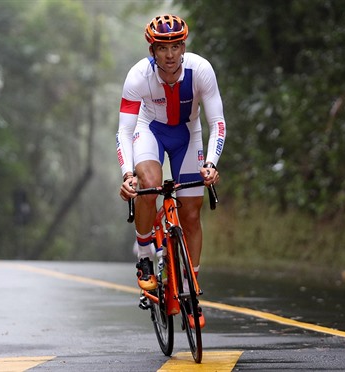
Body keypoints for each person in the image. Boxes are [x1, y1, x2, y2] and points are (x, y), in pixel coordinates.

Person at [116, 14, 226, 327]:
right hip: (150, 130)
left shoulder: (200, 70)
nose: (170, 54)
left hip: (188, 134)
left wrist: (211, 164)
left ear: (183, 47)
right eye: (163, 47)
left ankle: (191, 291)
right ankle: (145, 257)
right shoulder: (138, 76)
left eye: (176, 46)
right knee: (149, 184)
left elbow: (216, 122)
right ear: (152, 50)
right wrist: (128, 174)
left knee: (191, 213)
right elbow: (124, 131)